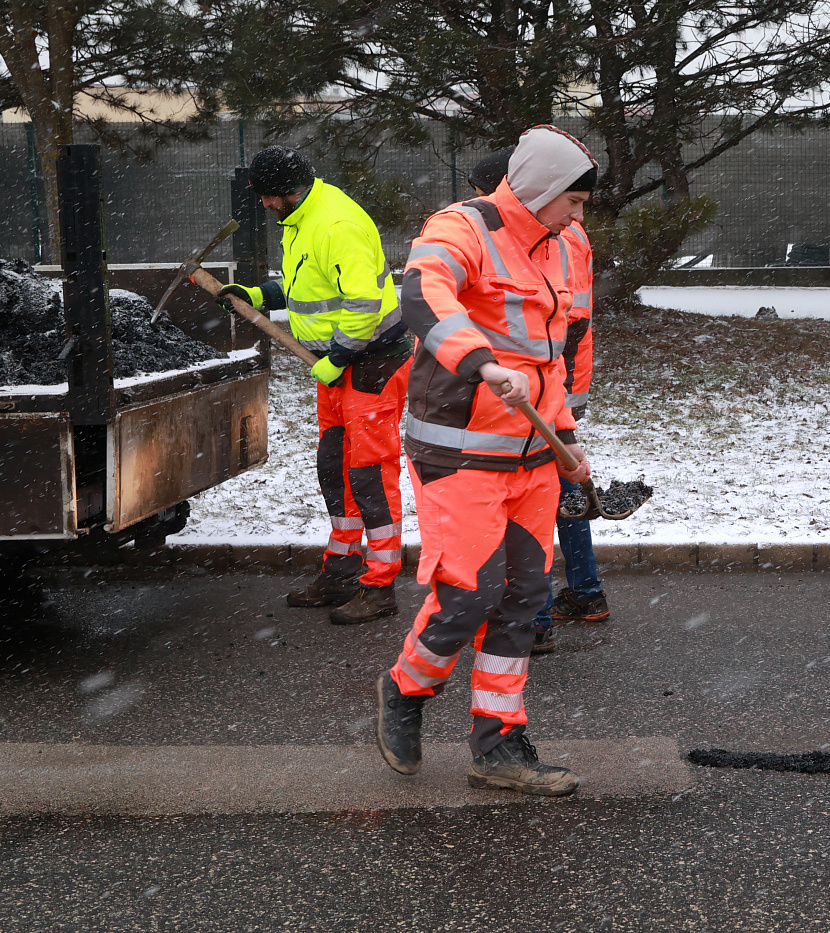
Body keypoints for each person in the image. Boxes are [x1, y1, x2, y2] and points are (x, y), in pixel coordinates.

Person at [375, 125, 596, 796]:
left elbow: (550, 358)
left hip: (532, 455)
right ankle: (406, 688)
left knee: (524, 597)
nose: (577, 217)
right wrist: (479, 361)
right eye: (572, 201)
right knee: (471, 592)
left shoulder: (560, 247)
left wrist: (565, 435)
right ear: (542, 188)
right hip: (458, 450)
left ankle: (498, 743)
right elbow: (424, 294)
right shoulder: (462, 227)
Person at [220, 147, 411, 625]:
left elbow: (364, 302)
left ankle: (380, 585)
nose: (265, 205)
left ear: (291, 190)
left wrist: (341, 357)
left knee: (369, 474)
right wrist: (257, 295)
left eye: (269, 196)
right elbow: (308, 287)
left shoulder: (336, 224)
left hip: (372, 365)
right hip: (337, 366)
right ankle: (342, 571)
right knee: (336, 467)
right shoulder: (299, 220)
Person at [465, 147, 609, 656]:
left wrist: (546, 387)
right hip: (556, 381)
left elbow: (565, 321)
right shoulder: (564, 228)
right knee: (562, 488)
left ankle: (539, 617)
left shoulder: (551, 233)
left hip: (545, 385)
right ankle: (584, 592)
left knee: (541, 499)